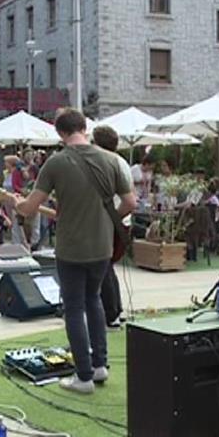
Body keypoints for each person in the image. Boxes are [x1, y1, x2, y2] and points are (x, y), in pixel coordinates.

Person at [13, 108, 136, 394]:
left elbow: (30, 208)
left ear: (60, 132)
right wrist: (108, 219)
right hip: (102, 246)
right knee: (94, 300)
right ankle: (99, 365)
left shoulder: (56, 163)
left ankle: (83, 376)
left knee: (74, 308)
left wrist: (14, 203)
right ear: (85, 128)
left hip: (70, 248)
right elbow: (130, 202)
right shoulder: (112, 160)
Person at [92, 125, 132, 328]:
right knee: (107, 268)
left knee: (104, 268)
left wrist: (109, 219)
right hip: (121, 221)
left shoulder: (109, 163)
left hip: (112, 220)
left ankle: (111, 312)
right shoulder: (121, 162)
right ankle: (115, 309)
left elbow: (126, 200)